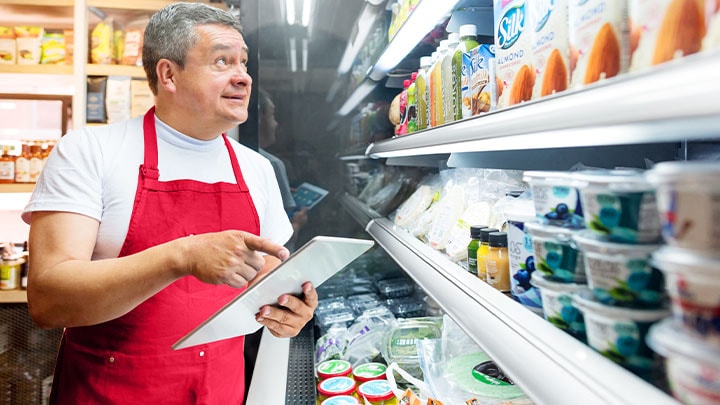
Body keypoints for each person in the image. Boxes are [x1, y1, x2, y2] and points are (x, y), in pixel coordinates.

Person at [21, 3, 318, 404]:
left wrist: (289, 311)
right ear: (168, 74)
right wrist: (182, 255)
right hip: (110, 392)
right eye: (221, 61)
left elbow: (268, 281)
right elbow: (48, 300)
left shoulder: (256, 169)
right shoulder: (91, 151)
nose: (243, 77)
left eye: (243, 63)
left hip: (219, 392)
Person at [257, 87, 308, 251]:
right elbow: (281, 240)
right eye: (272, 115)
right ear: (258, 117)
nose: (276, 123)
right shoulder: (271, 164)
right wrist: (298, 223)